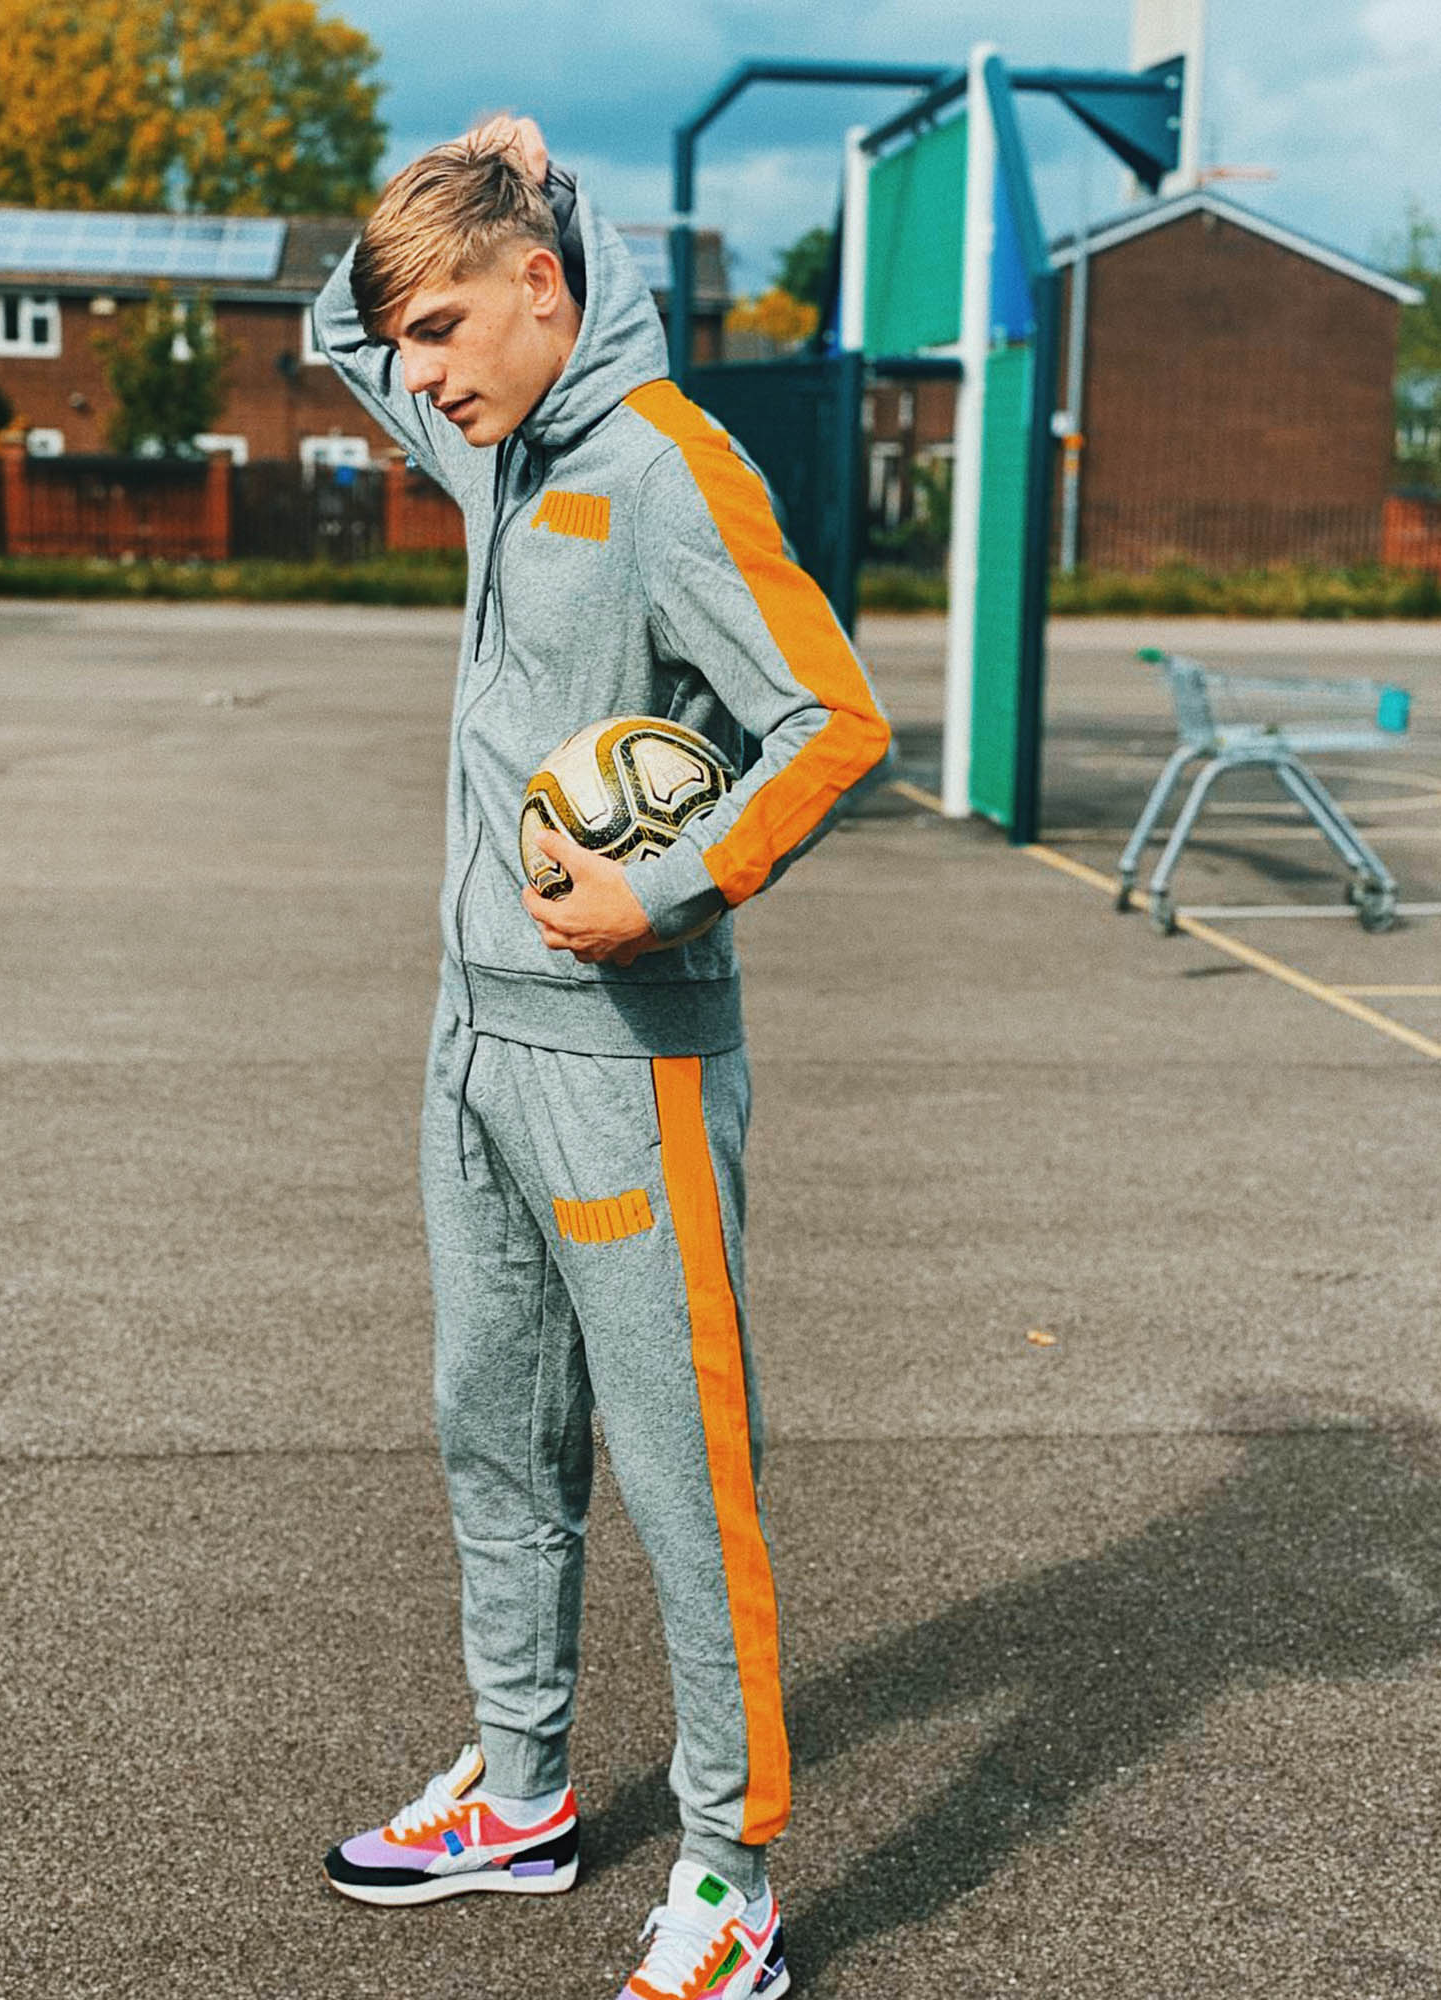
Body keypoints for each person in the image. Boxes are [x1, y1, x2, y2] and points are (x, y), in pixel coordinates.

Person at [311, 112, 890, 2000]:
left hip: (627, 1060)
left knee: (679, 1473)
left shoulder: (662, 468)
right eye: (412, 342)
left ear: (545, 290)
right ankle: (525, 1793)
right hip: (472, 1041)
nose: (415, 376)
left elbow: (832, 721)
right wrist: (467, 168)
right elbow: (330, 328)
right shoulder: (490, 442)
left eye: (445, 328)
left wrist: (669, 894)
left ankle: (731, 1880)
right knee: (493, 1430)